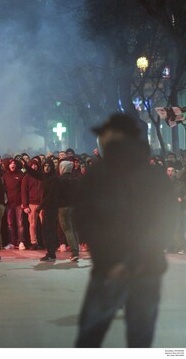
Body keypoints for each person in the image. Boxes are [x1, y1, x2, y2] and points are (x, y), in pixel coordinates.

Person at [73, 113, 178, 348]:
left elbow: (85, 219)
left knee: (90, 336)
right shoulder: (154, 175)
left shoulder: (98, 174)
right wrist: (142, 258)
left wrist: (111, 261)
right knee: (140, 337)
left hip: (110, 268)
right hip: (147, 266)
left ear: (118, 136)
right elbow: (167, 221)